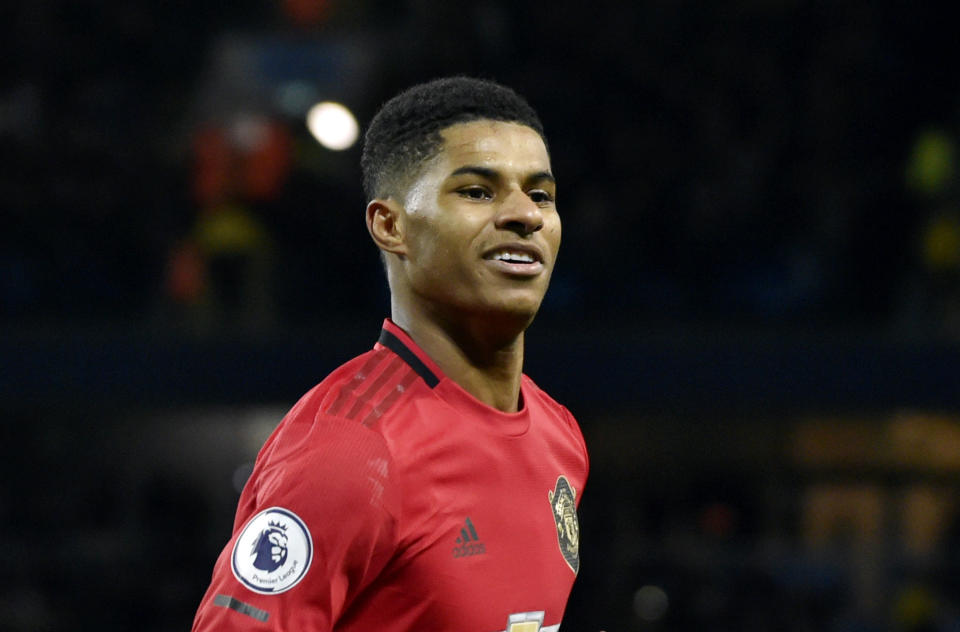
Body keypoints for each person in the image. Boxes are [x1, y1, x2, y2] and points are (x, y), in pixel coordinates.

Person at [191, 76, 589, 632]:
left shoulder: (561, 437)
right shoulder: (350, 454)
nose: (526, 215)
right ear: (391, 225)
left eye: (541, 194)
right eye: (477, 191)